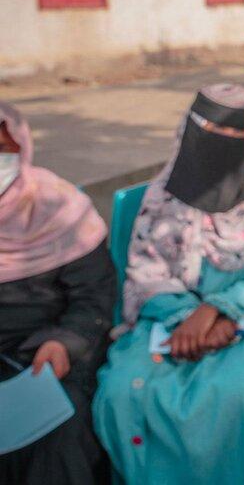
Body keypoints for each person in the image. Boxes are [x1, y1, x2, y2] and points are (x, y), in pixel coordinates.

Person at [93, 85, 244, 484]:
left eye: (236, 135)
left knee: (243, 392)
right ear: (190, 130)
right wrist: (187, 320)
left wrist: (215, 313)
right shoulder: (161, 198)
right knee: (124, 390)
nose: (224, 144)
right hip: (165, 320)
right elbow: (146, 275)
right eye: (213, 131)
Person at [0, 101, 116, 485]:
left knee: (58, 432)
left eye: (3, 149)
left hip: (49, 352)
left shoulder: (61, 207)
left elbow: (94, 295)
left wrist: (65, 341)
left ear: (21, 146)